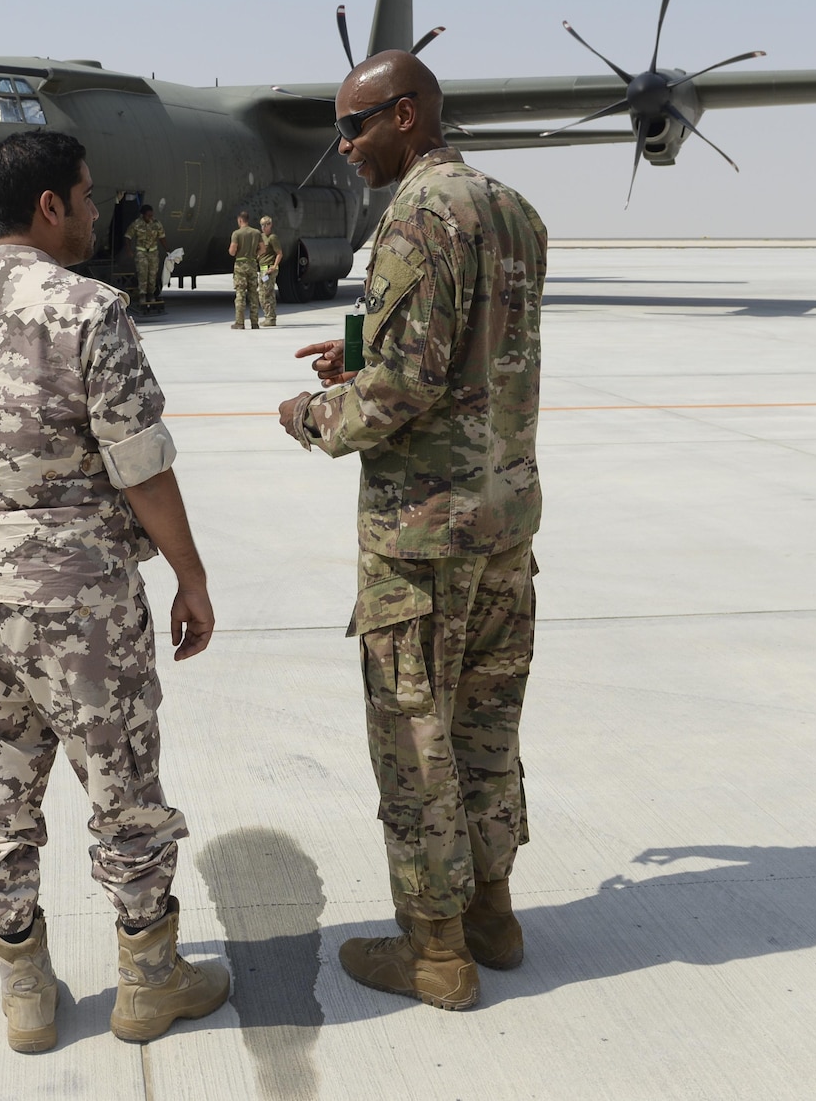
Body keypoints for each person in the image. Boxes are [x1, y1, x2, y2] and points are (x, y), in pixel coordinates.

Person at [0, 129, 229, 1053]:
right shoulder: (92, 311)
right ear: (50, 207)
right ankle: (149, 982)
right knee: (124, 791)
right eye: (84, 194)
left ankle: (26, 995)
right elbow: (141, 465)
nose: (91, 208)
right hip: (82, 605)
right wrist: (190, 575)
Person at [276, 51, 547, 1012]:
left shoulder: (417, 215)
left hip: (422, 534)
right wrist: (358, 352)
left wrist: (314, 414)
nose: (342, 147)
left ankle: (435, 949)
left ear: (405, 115)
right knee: (486, 722)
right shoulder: (511, 208)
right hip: (503, 520)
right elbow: (472, 348)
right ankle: (495, 914)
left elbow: (408, 386)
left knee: (415, 733)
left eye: (354, 127)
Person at [227, 211, 263, 329]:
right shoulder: (256, 233)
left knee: (240, 294)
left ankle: (240, 322)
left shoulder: (236, 233)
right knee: (253, 293)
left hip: (240, 265)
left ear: (240, 220)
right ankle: (254, 322)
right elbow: (263, 249)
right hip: (252, 264)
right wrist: (255, 255)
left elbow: (232, 251)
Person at [128, 204, 167, 310]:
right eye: (148, 215)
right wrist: (129, 250)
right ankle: (142, 295)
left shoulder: (156, 224)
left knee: (152, 274)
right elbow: (128, 236)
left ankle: (151, 294)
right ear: (143, 215)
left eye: (151, 215)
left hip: (153, 252)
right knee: (142, 274)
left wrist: (167, 250)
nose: (150, 217)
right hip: (141, 252)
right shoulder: (137, 224)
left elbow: (162, 237)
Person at [257, 215, 283, 326]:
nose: (263, 227)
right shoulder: (261, 237)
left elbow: (279, 253)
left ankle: (271, 318)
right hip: (263, 269)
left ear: (270, 225)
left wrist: (274, 266)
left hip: (269, 269)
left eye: (266, 225)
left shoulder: (272, 238)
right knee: (262, 293)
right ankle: (267, 316)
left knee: (268, 292)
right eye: (262, 225)